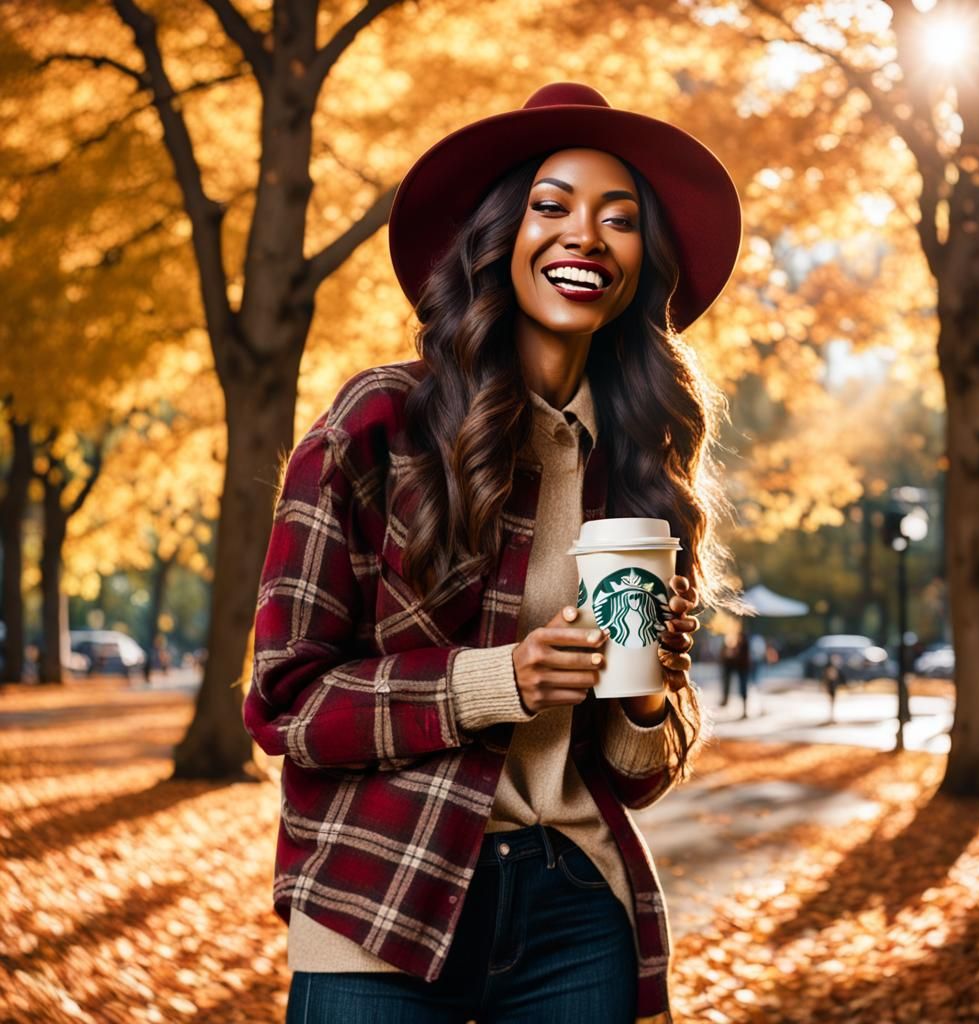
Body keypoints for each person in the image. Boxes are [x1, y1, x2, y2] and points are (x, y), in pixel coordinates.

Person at [243, 82, 746, 1024]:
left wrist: (643, 700)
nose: (585, 235)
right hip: (379, 901)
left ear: (645, 264)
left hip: (576, 908)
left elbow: (635, 773)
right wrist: (497, 680)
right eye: (552, 206)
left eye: (619, 219)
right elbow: (288, 704)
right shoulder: (378, 424)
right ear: (499, 236)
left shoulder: (641, 465)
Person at [719, 619, 751, 717]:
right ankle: (725, 699)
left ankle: (744, 709)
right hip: (730, 664)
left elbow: (745, 654)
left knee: (743, 686)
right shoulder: (728, 637)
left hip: (741, 665)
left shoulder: (743, 638)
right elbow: (723, 652)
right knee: (726, 681)